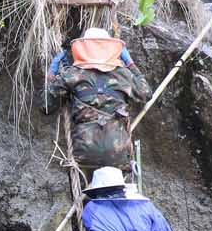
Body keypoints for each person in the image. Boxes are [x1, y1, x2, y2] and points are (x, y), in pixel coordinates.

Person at [41, 28, 151, 176]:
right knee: (116, 192)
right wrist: (130, 63)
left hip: (85, 154)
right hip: (118, 154)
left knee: (87, 194)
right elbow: (145, 93)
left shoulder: (72, 74)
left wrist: (52, 74)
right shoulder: (124, 75)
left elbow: (47, 106)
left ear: (83, 49)